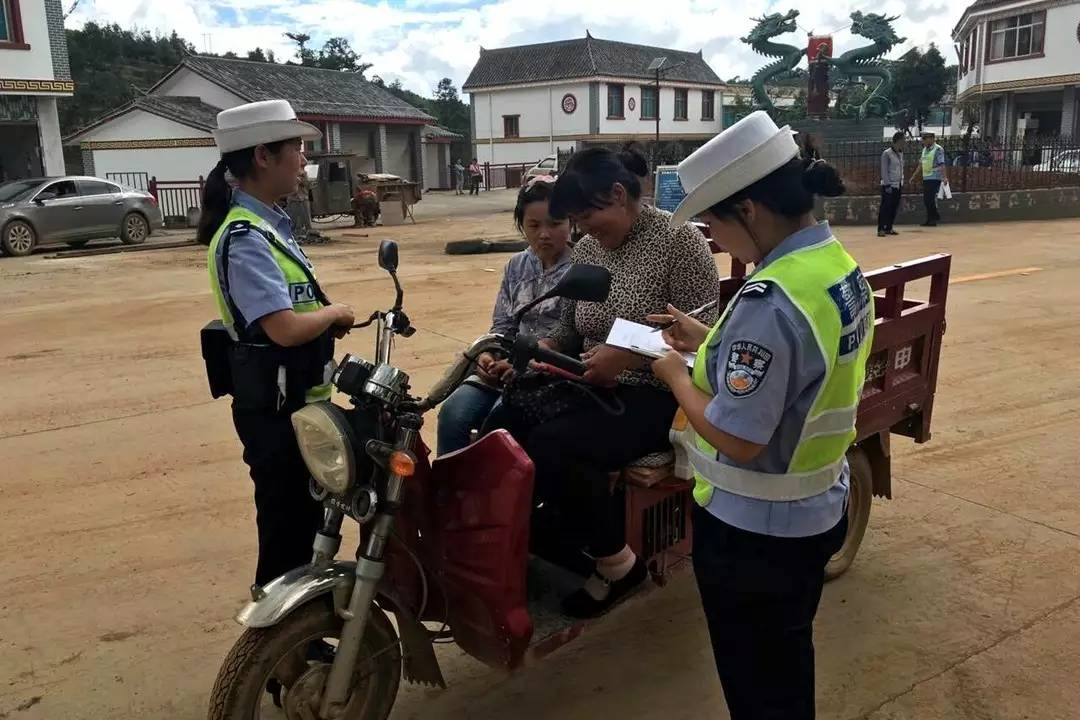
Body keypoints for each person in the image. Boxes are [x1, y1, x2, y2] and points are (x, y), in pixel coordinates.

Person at [648, 111, 873, 720]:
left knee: (757, 683)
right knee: (785, 658)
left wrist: (673, 374)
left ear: (748, 209)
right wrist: (706, 337)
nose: (717, 241)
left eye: (715, 223)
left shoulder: (768, 301)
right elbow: (795, 367)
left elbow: (739, 437)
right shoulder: (835, 268)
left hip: (755, 530)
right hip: (815, 508)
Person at [488, 146, 722, 618]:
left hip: (659, 390)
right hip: (592, 380)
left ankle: (617, 565)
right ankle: (540, 535)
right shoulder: (593, 248)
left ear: (619, 194)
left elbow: (704, 338)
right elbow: (574, 323)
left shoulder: (681, 243)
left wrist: (630, 353)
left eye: (592, 222)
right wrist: (554, 345)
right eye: (580, 227)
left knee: (557, 444)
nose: (587, 235)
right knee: (504, 418)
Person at [197, 100, 355, 587]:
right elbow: (284, 328)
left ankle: (298, 643)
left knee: (305, 531)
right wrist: (334, 313)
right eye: (298, 149)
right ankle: (282, 651)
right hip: (277, 415)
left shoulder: (269, 227)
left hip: (299, 404)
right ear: (263, 156)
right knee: (288, 538)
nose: (304, 160)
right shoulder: (245, 236)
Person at [436, 176, 571, 455]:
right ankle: (449, 494)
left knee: (498, 427)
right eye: (534, 225)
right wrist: (489, 356)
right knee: (453, 414)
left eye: (555, 224)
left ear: (571, 223)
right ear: (522, 226)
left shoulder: (581, 269)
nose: (544, 234)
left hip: (547, 377)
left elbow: (571, 337)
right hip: (502, 368)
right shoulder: (516, 266)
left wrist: (524, 366)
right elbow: (503, 325)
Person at [908, 130, 947, 227]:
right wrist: (914, 176)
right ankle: (931, 219)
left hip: (935, 177)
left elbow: (942, 164)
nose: (923, 141)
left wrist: (944, 177)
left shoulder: (938, 149)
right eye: (923, 139)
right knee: (927, 199)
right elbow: (920, 165)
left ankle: (933, 217)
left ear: (932, 139)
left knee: (929, 198)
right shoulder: (924, 150)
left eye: (925, 139)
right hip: (926, 177)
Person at [877, 131, 904, 237]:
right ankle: (880, 229)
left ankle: (889, 227)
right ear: (898, 140)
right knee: (885, 207)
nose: (905, 142)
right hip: (889, 185)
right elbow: (884, 170)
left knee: (894, 207)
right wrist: (887, 184)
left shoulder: (901, 153)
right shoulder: (887, 153)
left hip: (898, 184)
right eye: (903, 140)